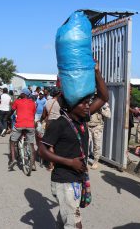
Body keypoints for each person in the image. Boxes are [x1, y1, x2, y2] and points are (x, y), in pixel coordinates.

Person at [38, 65, 108, 229]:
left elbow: (104, 97)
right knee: (75, 224)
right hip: (64, 180)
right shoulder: (59, 124)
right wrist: (70, 162)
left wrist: (97, 72)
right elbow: (42, 150)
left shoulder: (81, 119)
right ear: (70, 106)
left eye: (87, 103)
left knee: (66, 218)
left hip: (76, 178)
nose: (86, 106)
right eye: (82, 104)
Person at [9, 88, 37, 170]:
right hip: (30, 126)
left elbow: (12, 110)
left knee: (12, 141)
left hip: (19, 125)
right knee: (31, 144)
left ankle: (13, 159)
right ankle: (33, 164)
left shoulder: (17, 101)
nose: (20, 94)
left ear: (23, 94)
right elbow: (33, 113)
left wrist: (8, 117)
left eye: (21, 93)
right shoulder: (33, 103)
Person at [88, 102, 111, 169]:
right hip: (88, 126)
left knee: (97, 145)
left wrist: (101, 108)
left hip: (97, 127)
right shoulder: (88, 101)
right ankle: (85, 160)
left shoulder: (103, 104)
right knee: (85, 144)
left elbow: (108, 115)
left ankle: (95, 162)